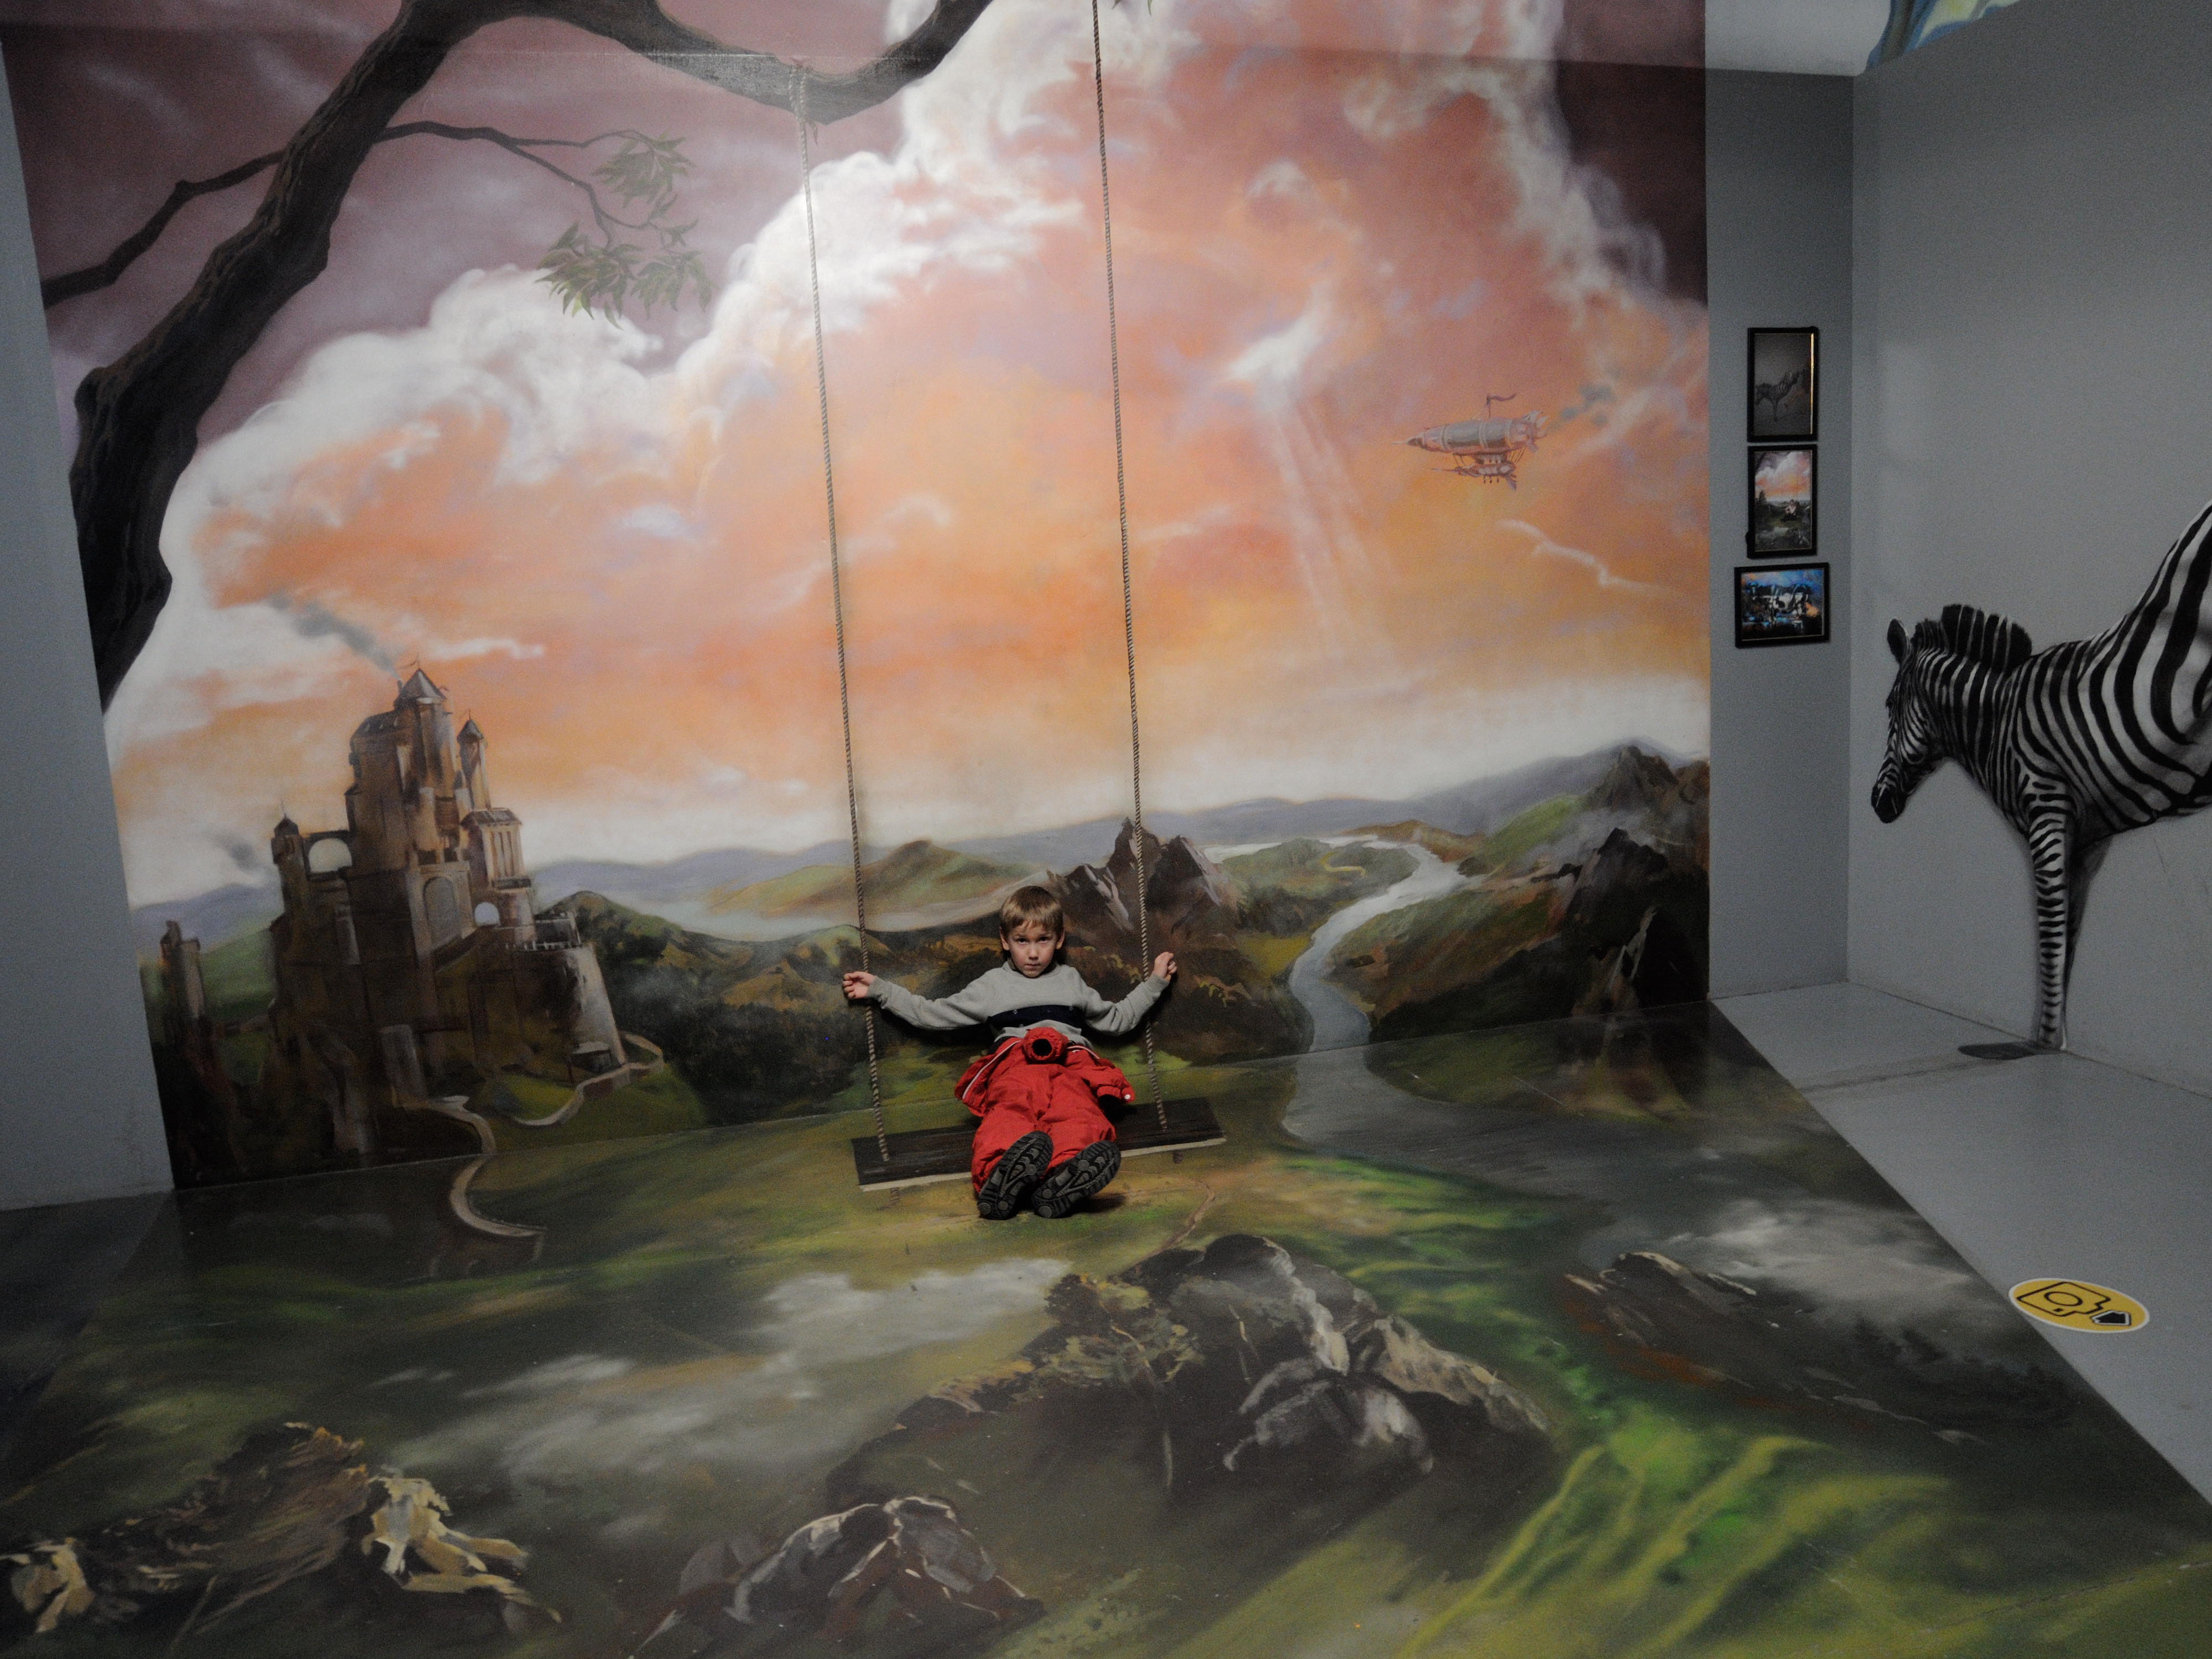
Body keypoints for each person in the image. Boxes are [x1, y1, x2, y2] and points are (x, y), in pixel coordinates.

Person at [842, 885, 1175, 1219]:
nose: (1033, 953)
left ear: (1059, 940)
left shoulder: (1071, 981)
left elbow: (1116, 1020)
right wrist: (881, 990)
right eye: (1022, 941)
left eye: (1043, 940)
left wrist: (1155, 983)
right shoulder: (992, 986)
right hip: (1016, 1063)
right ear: (1005, 941)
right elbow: (932, 1014)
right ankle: (999, 1176)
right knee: (1010, 1114)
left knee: (1078, 1112)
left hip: (1068, 1065)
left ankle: (1064, 1177)